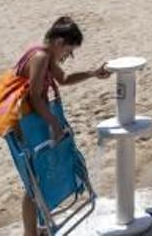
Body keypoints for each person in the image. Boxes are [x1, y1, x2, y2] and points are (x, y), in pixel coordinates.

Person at [17, 17, 110, 236]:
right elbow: (35, 97)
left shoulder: (46, 55)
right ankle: (29, 234)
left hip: (34, 118)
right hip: (27, 122)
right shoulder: (40, 57)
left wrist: (93, 73)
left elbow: (64, 78)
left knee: (38, 178)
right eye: (68, 52)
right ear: (59, 42)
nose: (67, 57)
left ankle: (38, 228)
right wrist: (54, 123)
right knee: (33, 181)